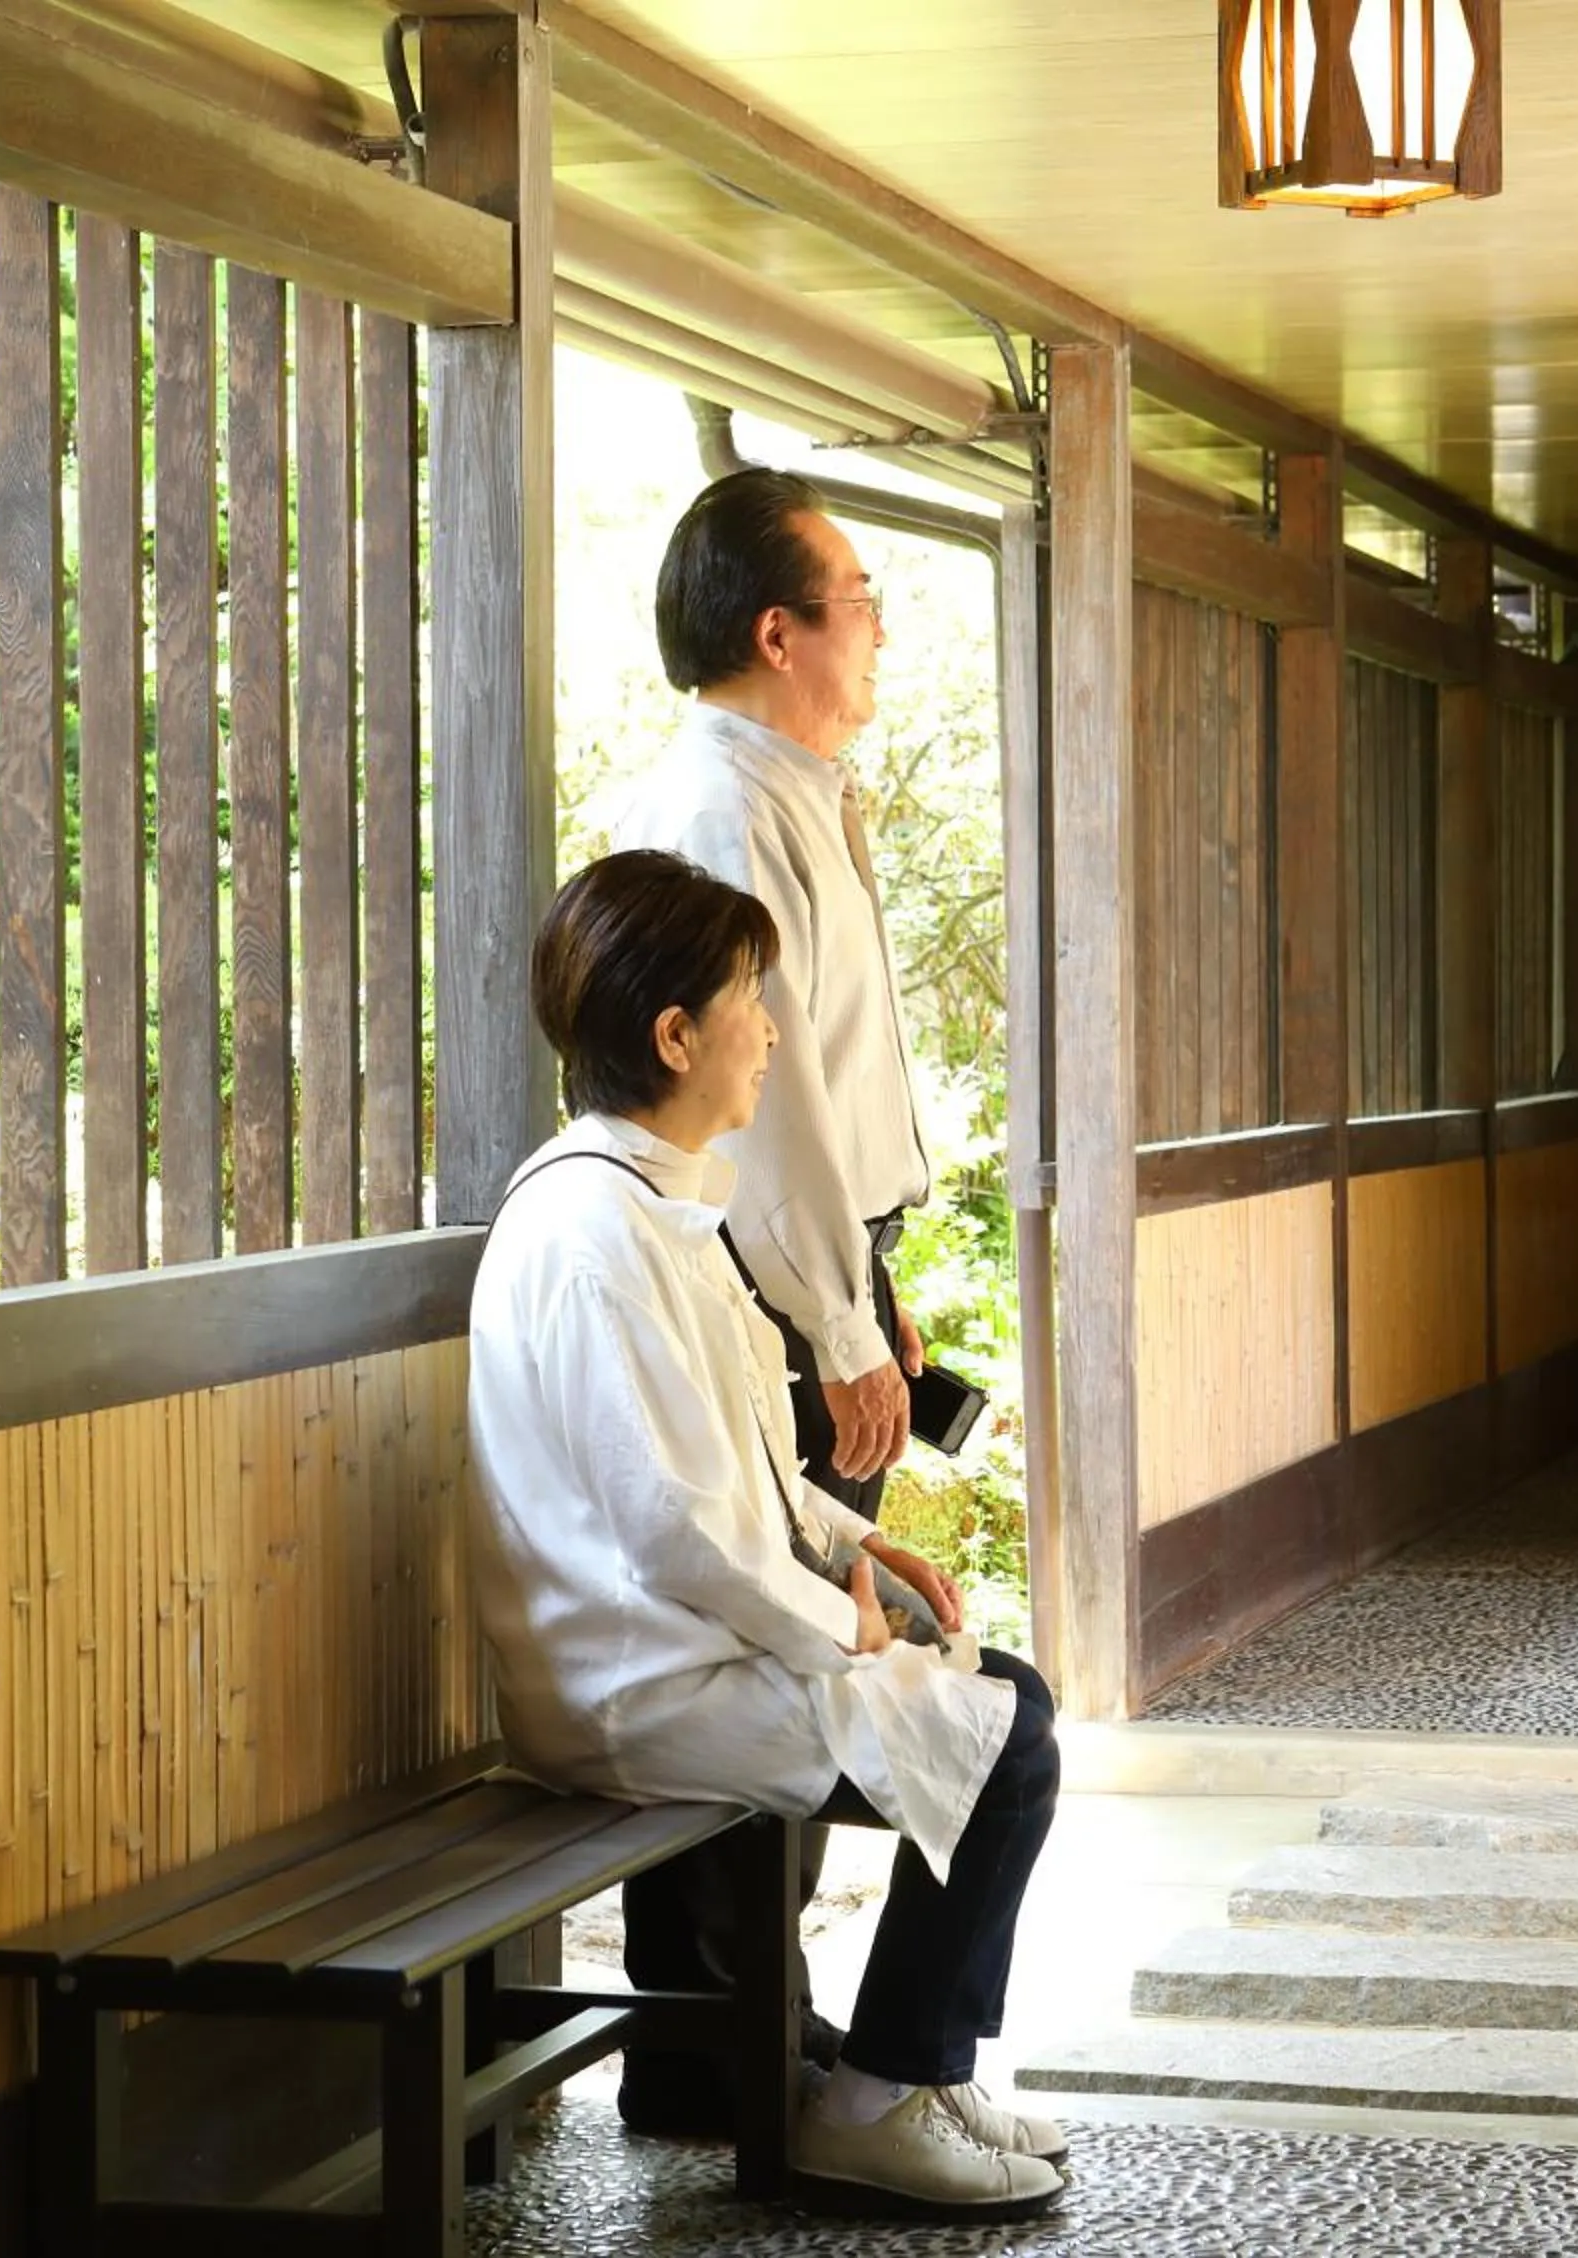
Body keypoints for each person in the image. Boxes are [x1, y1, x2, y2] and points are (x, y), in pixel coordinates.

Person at [466, 851, 1066, 2223]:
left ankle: (908, 2075)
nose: (774, 1032)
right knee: (1008, 1741)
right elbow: (675, 1531)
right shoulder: (593, 1232)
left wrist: (857, 1551)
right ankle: (881, 2100)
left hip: (681, 1641)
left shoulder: (653, 1201)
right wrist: (835, 1625)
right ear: (676, 1037)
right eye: (751, 999)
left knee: (1004, 1703)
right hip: (630, 1679)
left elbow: (744, 1465)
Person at [603, 466, 940, 2130]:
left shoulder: (797, 789)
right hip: (759, 1279)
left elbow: (836, 1102)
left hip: (817, 1266)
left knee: (805, 1649)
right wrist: (839, 1322)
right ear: (778, 631)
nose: (879, 627)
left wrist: (878, 1286)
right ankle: (712, 2045)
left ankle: (748, 2031)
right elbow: (772, 1110)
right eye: (859, 599)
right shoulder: (726, 809)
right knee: (764, 1653)